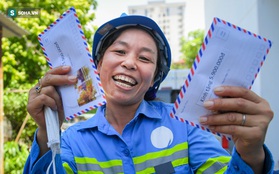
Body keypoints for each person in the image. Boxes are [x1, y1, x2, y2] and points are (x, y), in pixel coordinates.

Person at [24, 13, 274, 174]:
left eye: (144, 58)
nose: (130, 63)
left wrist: (251, 154)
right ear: (97, 66)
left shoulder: (185, 126)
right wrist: (47, 131)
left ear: (154, 77)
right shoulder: (72, 141)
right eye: (119, 52)